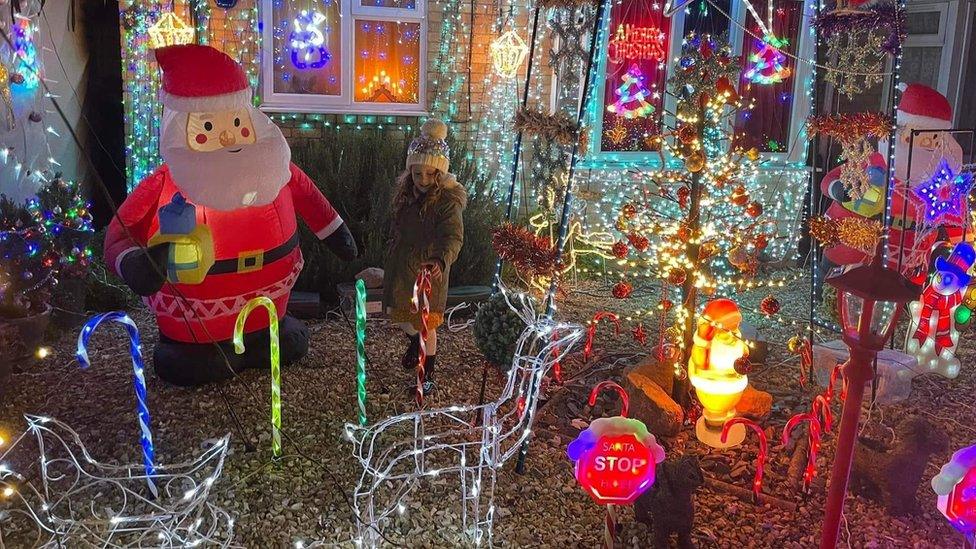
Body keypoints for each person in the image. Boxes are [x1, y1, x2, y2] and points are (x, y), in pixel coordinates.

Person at [104, 44, 357, 386]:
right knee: (195, 364)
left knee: (282, 341)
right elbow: (120, 233)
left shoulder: (273, 167)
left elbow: (310, 198)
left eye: (238, 123)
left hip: (271, 305)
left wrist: (336, 233)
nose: (227, 136)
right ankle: (195, 347)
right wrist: (134, 263)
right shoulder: (166, 180)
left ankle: (267, 332)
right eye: (206, 128)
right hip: (197, 321)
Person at [383, 119, 466, 397]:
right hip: (401, 269)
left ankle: (427, 374)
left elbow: (452, 237)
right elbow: (398, 228)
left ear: (440, 174)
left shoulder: (446, 202)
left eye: (431, 174)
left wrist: (441, 260)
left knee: (427, 327)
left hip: (428, 273)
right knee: (401, 317)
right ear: (411, 172)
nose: (424, 180)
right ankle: (412, 342)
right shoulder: (405, 197)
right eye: (418, 174)